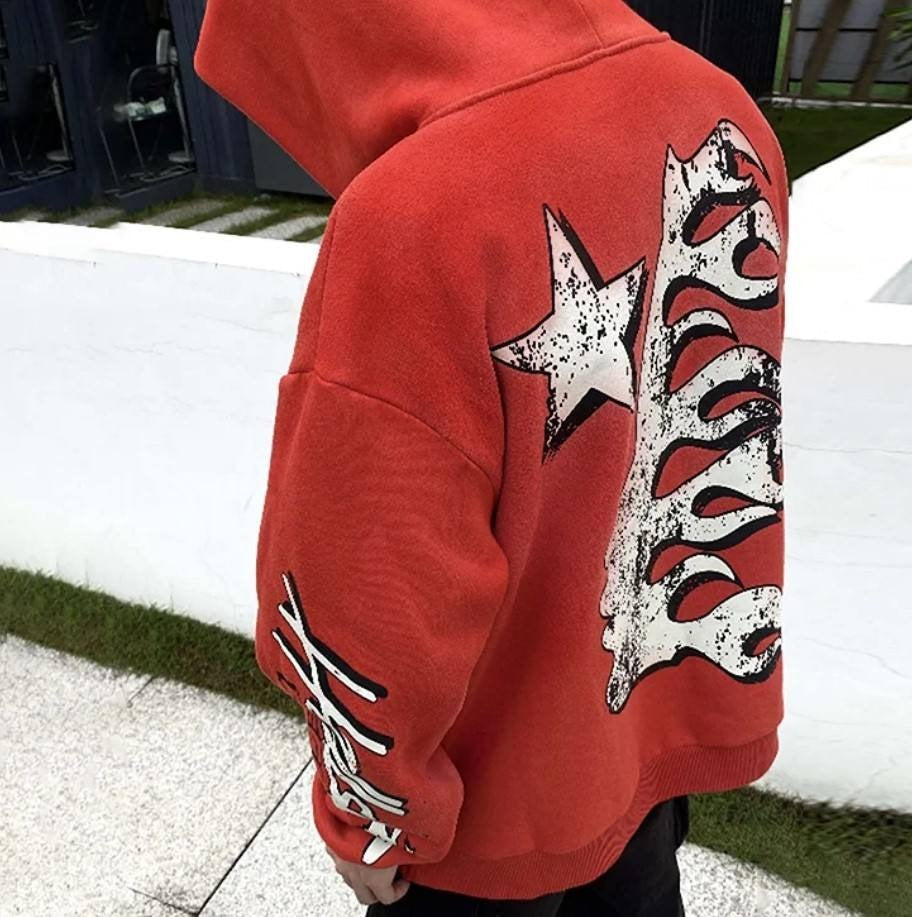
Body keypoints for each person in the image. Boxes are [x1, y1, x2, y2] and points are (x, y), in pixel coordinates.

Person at [193, 1, 788, 913]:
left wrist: (370, 815)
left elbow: (366, 578)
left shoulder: (415, 215)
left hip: (490, 811)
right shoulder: (722, 109)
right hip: (641, 741)